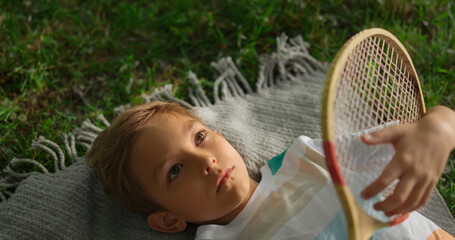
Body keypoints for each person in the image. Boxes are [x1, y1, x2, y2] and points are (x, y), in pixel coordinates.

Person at [85, 101, 455, 239]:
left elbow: (436, 123)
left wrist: (438, 130)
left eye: (199, 138)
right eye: (175, 170)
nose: (206, 162)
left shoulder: (304, 159)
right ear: (167, 220)